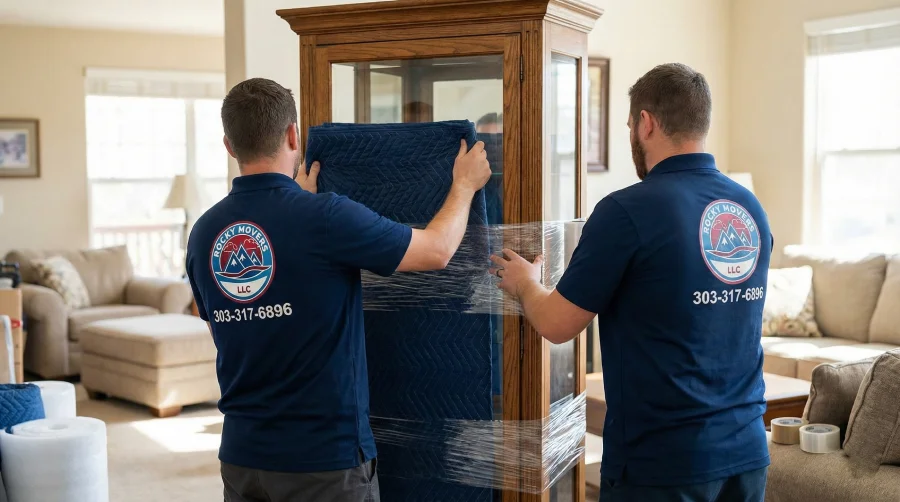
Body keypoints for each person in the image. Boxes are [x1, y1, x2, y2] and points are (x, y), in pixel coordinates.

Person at [185, 77, 490, 502]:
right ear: (293, 135)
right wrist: (464, 186)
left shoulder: (203, 234)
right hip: (323, 463)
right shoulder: (325, 218)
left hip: (243, 459)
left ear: (229, 145)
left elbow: (213, 310)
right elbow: (436, 251)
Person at [490, 63, 773, 502]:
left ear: (646, 123)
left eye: (629, 125)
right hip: (748, 452)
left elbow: (558, 323)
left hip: (662, 464)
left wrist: (527, 282)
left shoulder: (627, 211)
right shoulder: (750, 208)